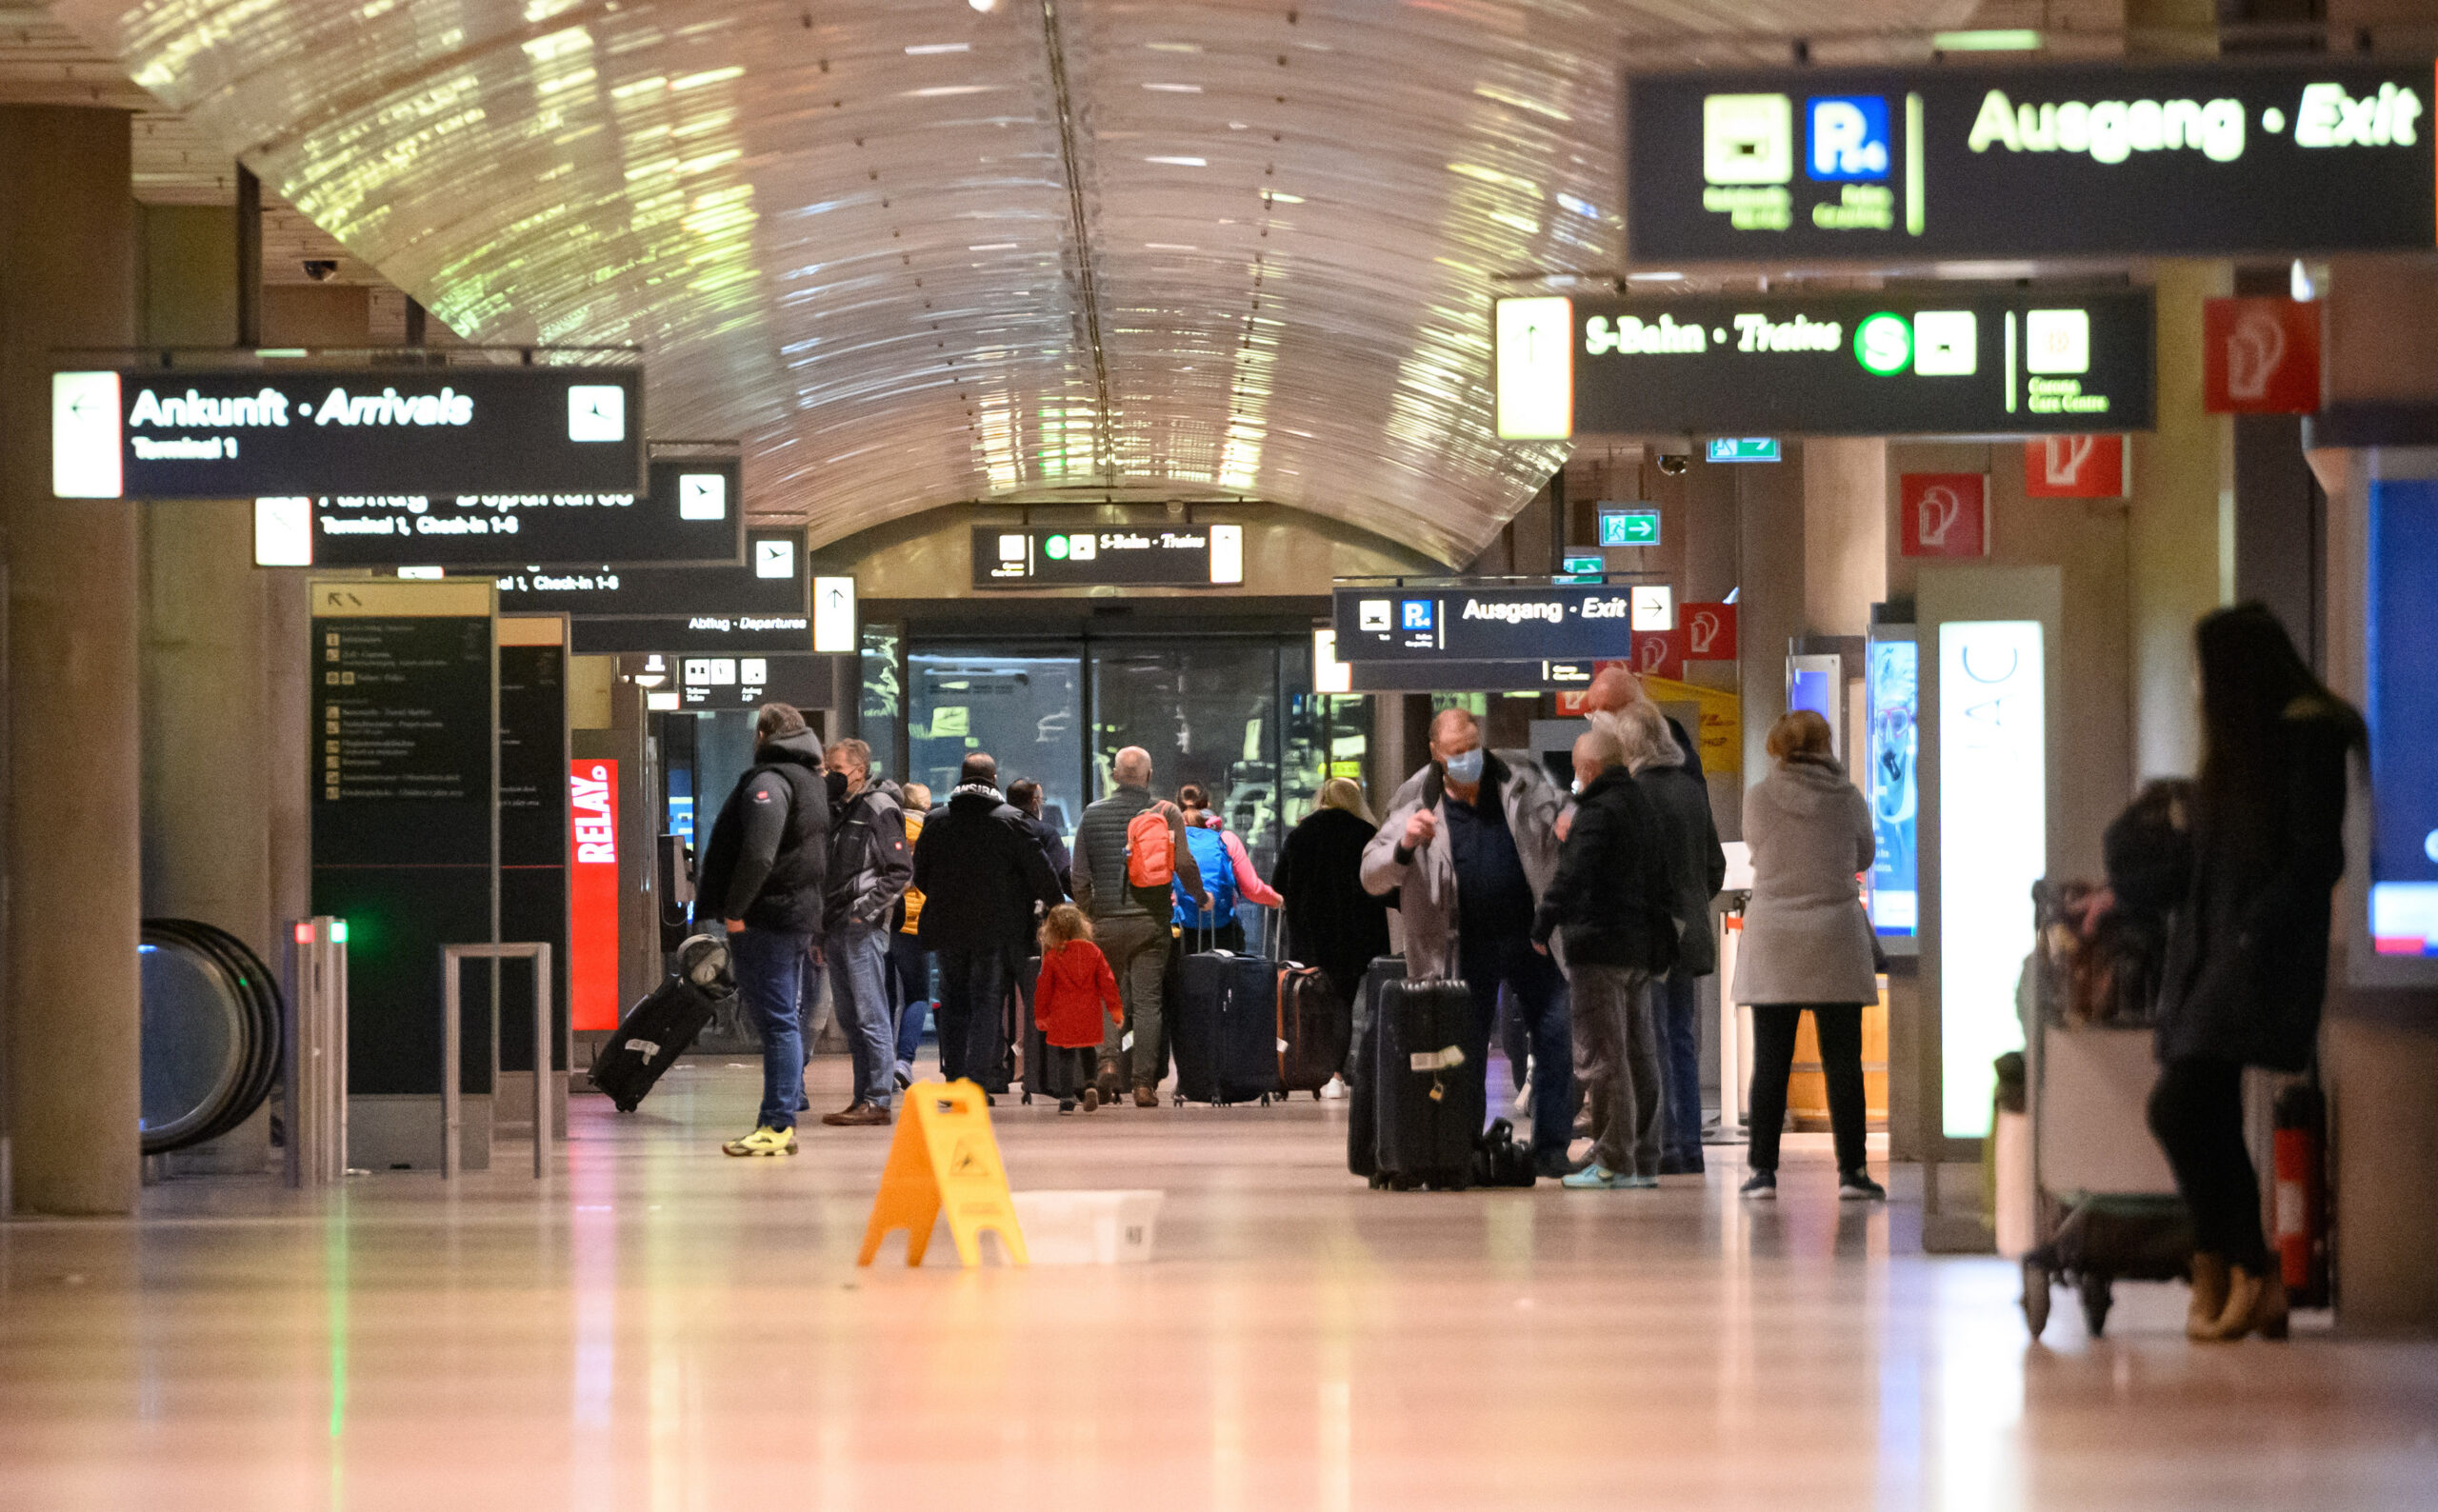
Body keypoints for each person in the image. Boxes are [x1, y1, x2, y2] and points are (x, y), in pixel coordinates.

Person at [2149, 605, 2361, 1343]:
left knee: (2180, 1107)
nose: (2198, 684)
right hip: (2213, 955)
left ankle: (2248, 1268)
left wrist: (2250, 931)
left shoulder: (2305, 735)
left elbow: (2316, 855)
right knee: (2196, 1111)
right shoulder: (2238, 749)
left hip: (2251, 959)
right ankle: (2234, 1270)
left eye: (2205, 668)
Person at [1361, 707, 1573, 1176]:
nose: (1468, 760)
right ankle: (1462, 1147)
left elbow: (1564, 805)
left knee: (1558, 1033)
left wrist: (1571, 815)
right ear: (1436, 753)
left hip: (1531, 936)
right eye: (1457, 753)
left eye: (1474, 748)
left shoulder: (1518, 779)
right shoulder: (1415, 797)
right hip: (1460, 945)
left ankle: (1552, 1148)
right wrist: (1404, 846)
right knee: (1463, 1050)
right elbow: (1371, 875)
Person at [1734, 709, 1883, 1203]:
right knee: (1844, 1060)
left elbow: (1757, 847)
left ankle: (1761, 1173)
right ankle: (1853, 1173)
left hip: (1774, 935)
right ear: (1826, 744)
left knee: (1770, 1059)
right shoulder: (1848, 799)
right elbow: (1863, 855)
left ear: (1776, 746)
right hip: (1835, 935)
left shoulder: (1758, 798)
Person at [1532, 726, 1678, 1189]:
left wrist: (1541, 926)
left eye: (1577, 771)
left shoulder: (1595, 814)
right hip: (1639, 948)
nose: (1575, 779)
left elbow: (1571, 876)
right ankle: (1644, 1157)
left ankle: (1613, 1160)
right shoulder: (1644, 806)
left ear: (1589, 769)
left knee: (1604, 1057)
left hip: (1598, 947)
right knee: (1641, 1054)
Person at [694, 703, 830, 1157]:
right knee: (783, 1021)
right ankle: (779, 1121)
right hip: (794, 915)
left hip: (766, 918)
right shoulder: (810, 781)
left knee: (776, 1024)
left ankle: (776, 1124)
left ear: (766, 734)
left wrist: (735, 909)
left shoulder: (771, 782)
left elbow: (758, 855)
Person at [911, 753, 1062, 1092]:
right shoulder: (1011, 821)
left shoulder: (936, 820)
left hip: (947, 929)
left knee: (952, 1003)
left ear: (960, 778)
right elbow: (1043, 875)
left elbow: (920, 876)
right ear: (993, 779)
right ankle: (977, 1084)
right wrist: (1050, 908)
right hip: (996, 931)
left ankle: (953, 1079)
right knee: (986, 1003)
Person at [1620, 700, 1727, 1174]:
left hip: (1652, 935)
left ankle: (1663, 1144)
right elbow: (1715, 867)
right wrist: (1692, 904)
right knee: (1680, 1036)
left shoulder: (1636, 794)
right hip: (1690, 933)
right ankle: (1689, 1144)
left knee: (1653, 1037)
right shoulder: (1690, 791)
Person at [1071, 746, 1209, 1107]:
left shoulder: (1092, 814)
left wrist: (1091, 914)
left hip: (1105, 924)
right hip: (1151, 923)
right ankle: (1144, 1085)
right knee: (1148, 1002)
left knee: (1107, 995)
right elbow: (1183, 863)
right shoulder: (1167, 813)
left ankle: (1108, 1064)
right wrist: (1200, 896)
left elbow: (1079, 878)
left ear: (1115, 776)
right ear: (1148, 776)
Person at [1271, 778, 1392, 1095]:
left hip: (1310, 936)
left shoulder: (1300, 835)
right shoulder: (1366, 834)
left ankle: (1309, 1068)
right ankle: (1335, 1074)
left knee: (1310, 1002)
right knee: (1343, 1002)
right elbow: (1381, 886)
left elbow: (1279, 882)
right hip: (1354, 936)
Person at [817, 739, 911, 1127]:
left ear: (859, 770)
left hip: (861, 928)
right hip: (836, 926)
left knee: (871, 1014)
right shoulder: (840, 810)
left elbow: (900, 871)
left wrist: (864, 913)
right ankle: (863, 1097)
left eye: (836, 768)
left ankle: (877, 1098)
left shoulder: (878, 808)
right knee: (851, 1015)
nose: (829, 775)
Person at [1032, 904, 1126, 1114]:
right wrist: (1116, 1011)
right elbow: (1108, 983)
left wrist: (1041, 1015)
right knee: (1088, 1050)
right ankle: (1091, 1085)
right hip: (1089, 1012)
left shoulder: (1053, 956)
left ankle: (1066, 1098)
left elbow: (1043, 989)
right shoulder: (1093, 951)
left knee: (1065, 1056)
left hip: (1062, 1015)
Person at [1172, 783, 1282, 954]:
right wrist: (1275, 900)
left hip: (1181, 932)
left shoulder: (1170, 840)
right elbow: (1251, 888)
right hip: (1222, 933)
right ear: (1208, 804)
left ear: (1177, 806)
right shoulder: (1226, 839)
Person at [889, 783, 936, 1086]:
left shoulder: (887, 828)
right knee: (917, 994)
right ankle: (904, 1061)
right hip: (916, 921)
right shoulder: (930, 832)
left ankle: (879, 1064)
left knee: (885, 996)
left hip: (883, 917)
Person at [1006, 778, 1073, 898]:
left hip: (1003, 906)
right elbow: (1063, 876)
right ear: (1034, 804)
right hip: (1038, 908)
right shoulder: (1046, 833)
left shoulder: (998, 830)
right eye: (1041, 800)